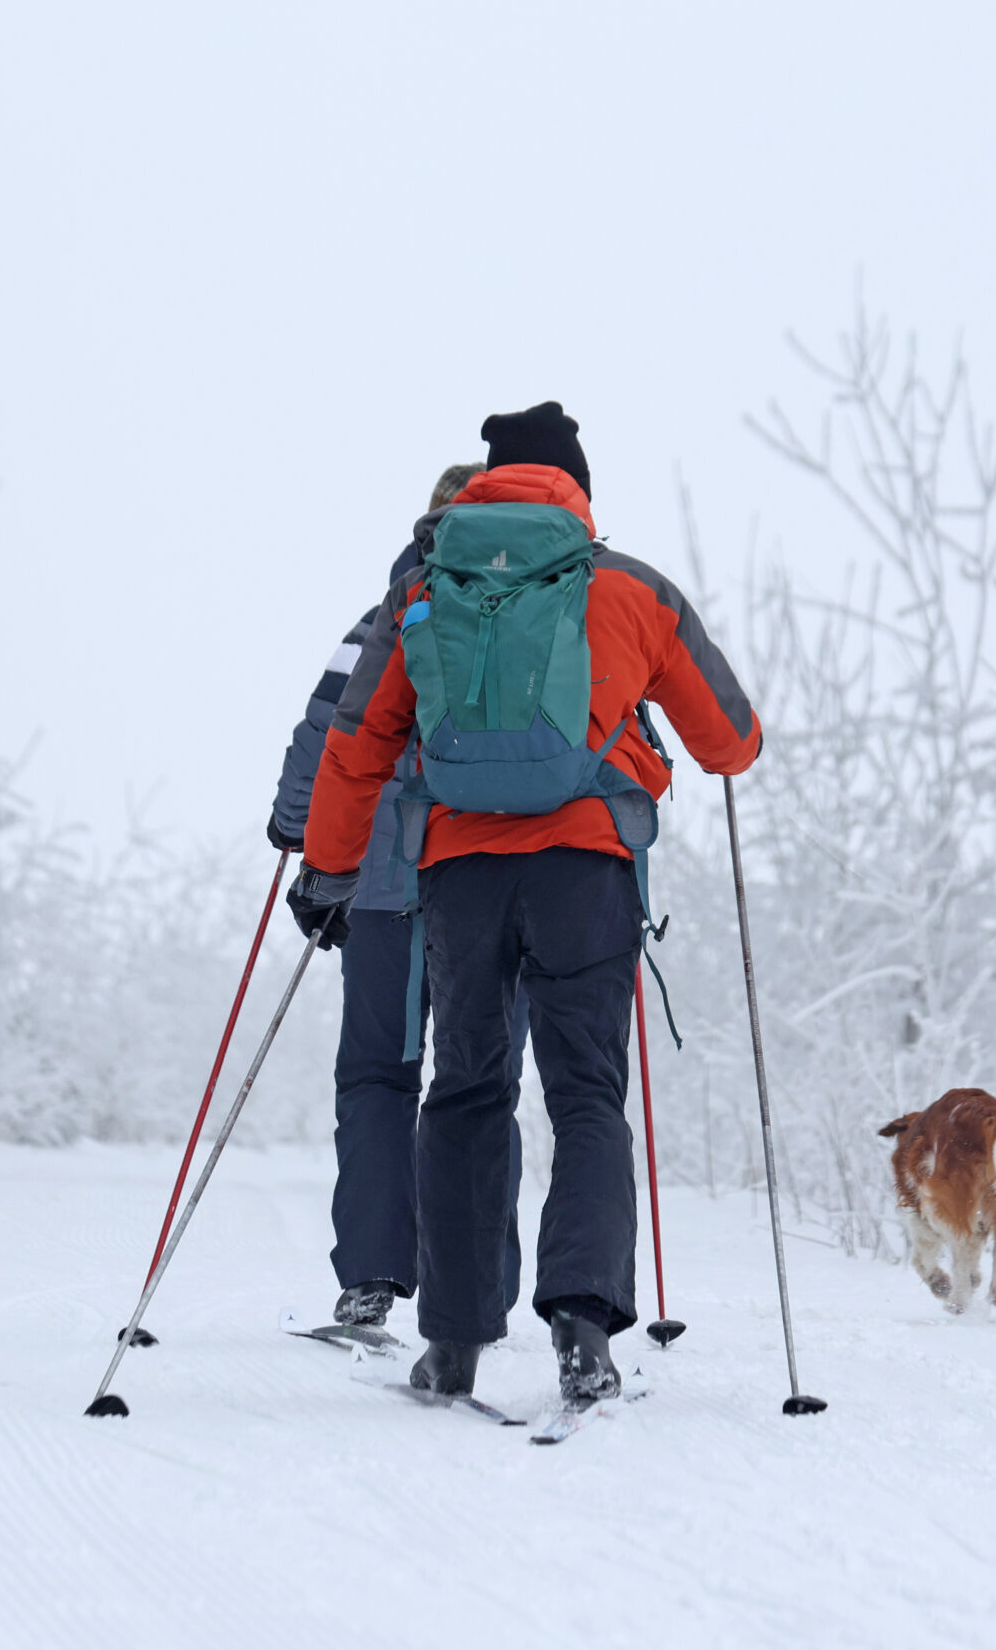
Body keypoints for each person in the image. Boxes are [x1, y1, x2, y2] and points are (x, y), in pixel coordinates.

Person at [289, 403, 761, 1405]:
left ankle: (452, 1343)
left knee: (465, 1090)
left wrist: (330, 868)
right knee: (585, 1095)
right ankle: (583, 1329)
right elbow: (730, 740)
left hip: (459, 876)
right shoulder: (628, 586)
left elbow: (359, 741)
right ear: (575, 487)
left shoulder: (422, 589)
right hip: (585, 871)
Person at [268, 464, 530, 1331]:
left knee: (379, 1074)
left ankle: (373, 1277)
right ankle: (484, 1284)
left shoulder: (387, 613)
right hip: (497, 880)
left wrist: (294, 832)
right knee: (481, 1080)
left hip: (383, 881)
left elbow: (326, 727)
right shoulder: (544, 616)